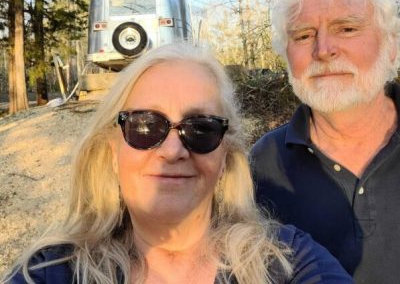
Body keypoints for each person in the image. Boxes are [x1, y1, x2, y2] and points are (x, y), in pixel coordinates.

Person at [3, 43, 352, 284]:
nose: (172, 151)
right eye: (144, 125)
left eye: (201, 128)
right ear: (111, 153)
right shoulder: (51, 272)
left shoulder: (287, 262)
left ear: (225, 157)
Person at [251, 0, 400, 283]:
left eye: (346, 28)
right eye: (303, 35)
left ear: (391, 45)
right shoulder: (260, 166)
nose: (323, 50)